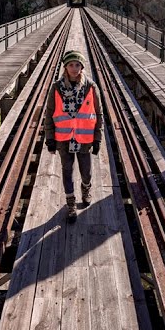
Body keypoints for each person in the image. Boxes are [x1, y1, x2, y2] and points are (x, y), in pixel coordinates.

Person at [44, 50, 102, 221]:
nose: (74, 68)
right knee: (67, 171)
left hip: (84, 138)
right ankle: (70, 204)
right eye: (71, 65)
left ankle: (86, 189)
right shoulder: (56, 87)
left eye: (77, 65)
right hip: (63, 138)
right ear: (65, 67)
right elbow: (49, 114)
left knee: (86, 172)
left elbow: (98, 113)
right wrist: (50, 138)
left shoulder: (91, 87)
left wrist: (97, 138)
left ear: (82, 67)